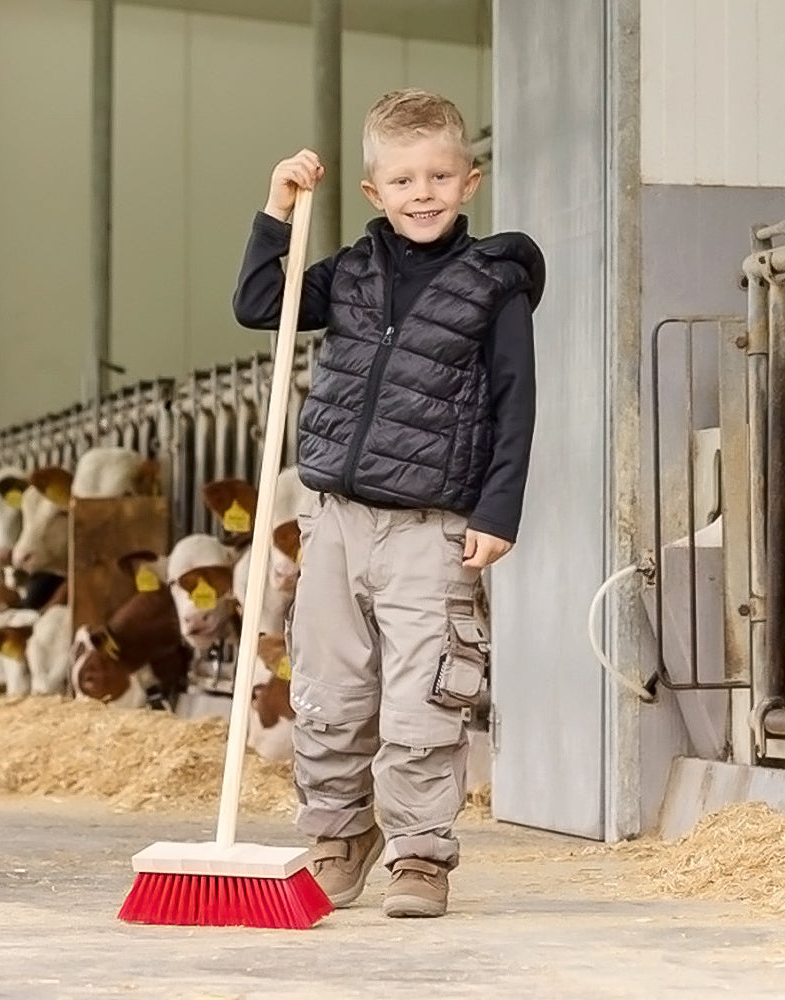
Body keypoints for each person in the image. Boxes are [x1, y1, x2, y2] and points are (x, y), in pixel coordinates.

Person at [233, 89, 545, 918]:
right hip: (334, 519)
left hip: (430, 526)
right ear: (375, 191)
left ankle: (420, 853)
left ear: (470, 181)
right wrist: (277, 210)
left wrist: (498, 511)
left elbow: (515, 402)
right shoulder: (350, 274)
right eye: (404, 180)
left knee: (423, 698)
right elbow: (260, 307)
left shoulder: (495, 287)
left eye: (439, 176)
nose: (423, 194)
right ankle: (340, 836)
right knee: (328, 693)